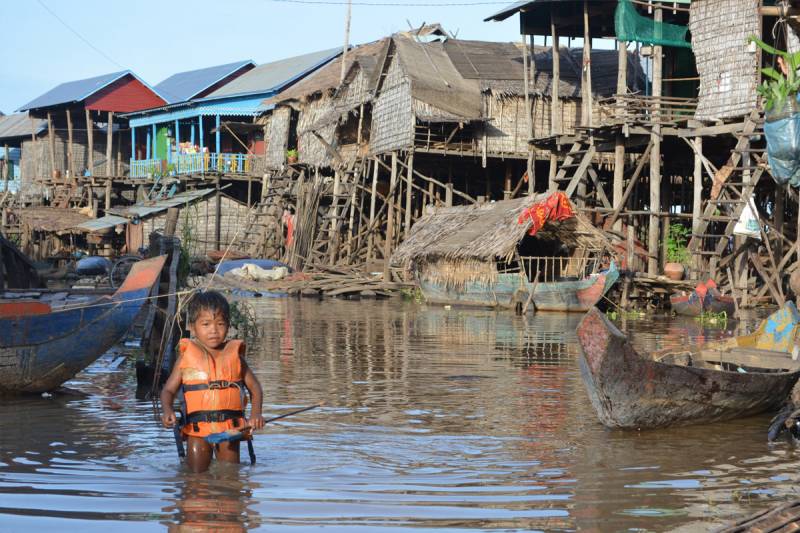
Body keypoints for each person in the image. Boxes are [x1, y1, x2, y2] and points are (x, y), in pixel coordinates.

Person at [161, 291, 265, 473]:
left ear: (228, 326)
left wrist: (256, 414)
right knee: (195, 479)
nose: (214, 331)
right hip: (197, 431)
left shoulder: (236, 358)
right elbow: (168, 391)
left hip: (230, 431)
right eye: (206, 324)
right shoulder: (186, 358)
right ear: (192, 327)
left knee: (230, 478)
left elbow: (255, 389)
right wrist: (168, 410)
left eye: (220, 324)